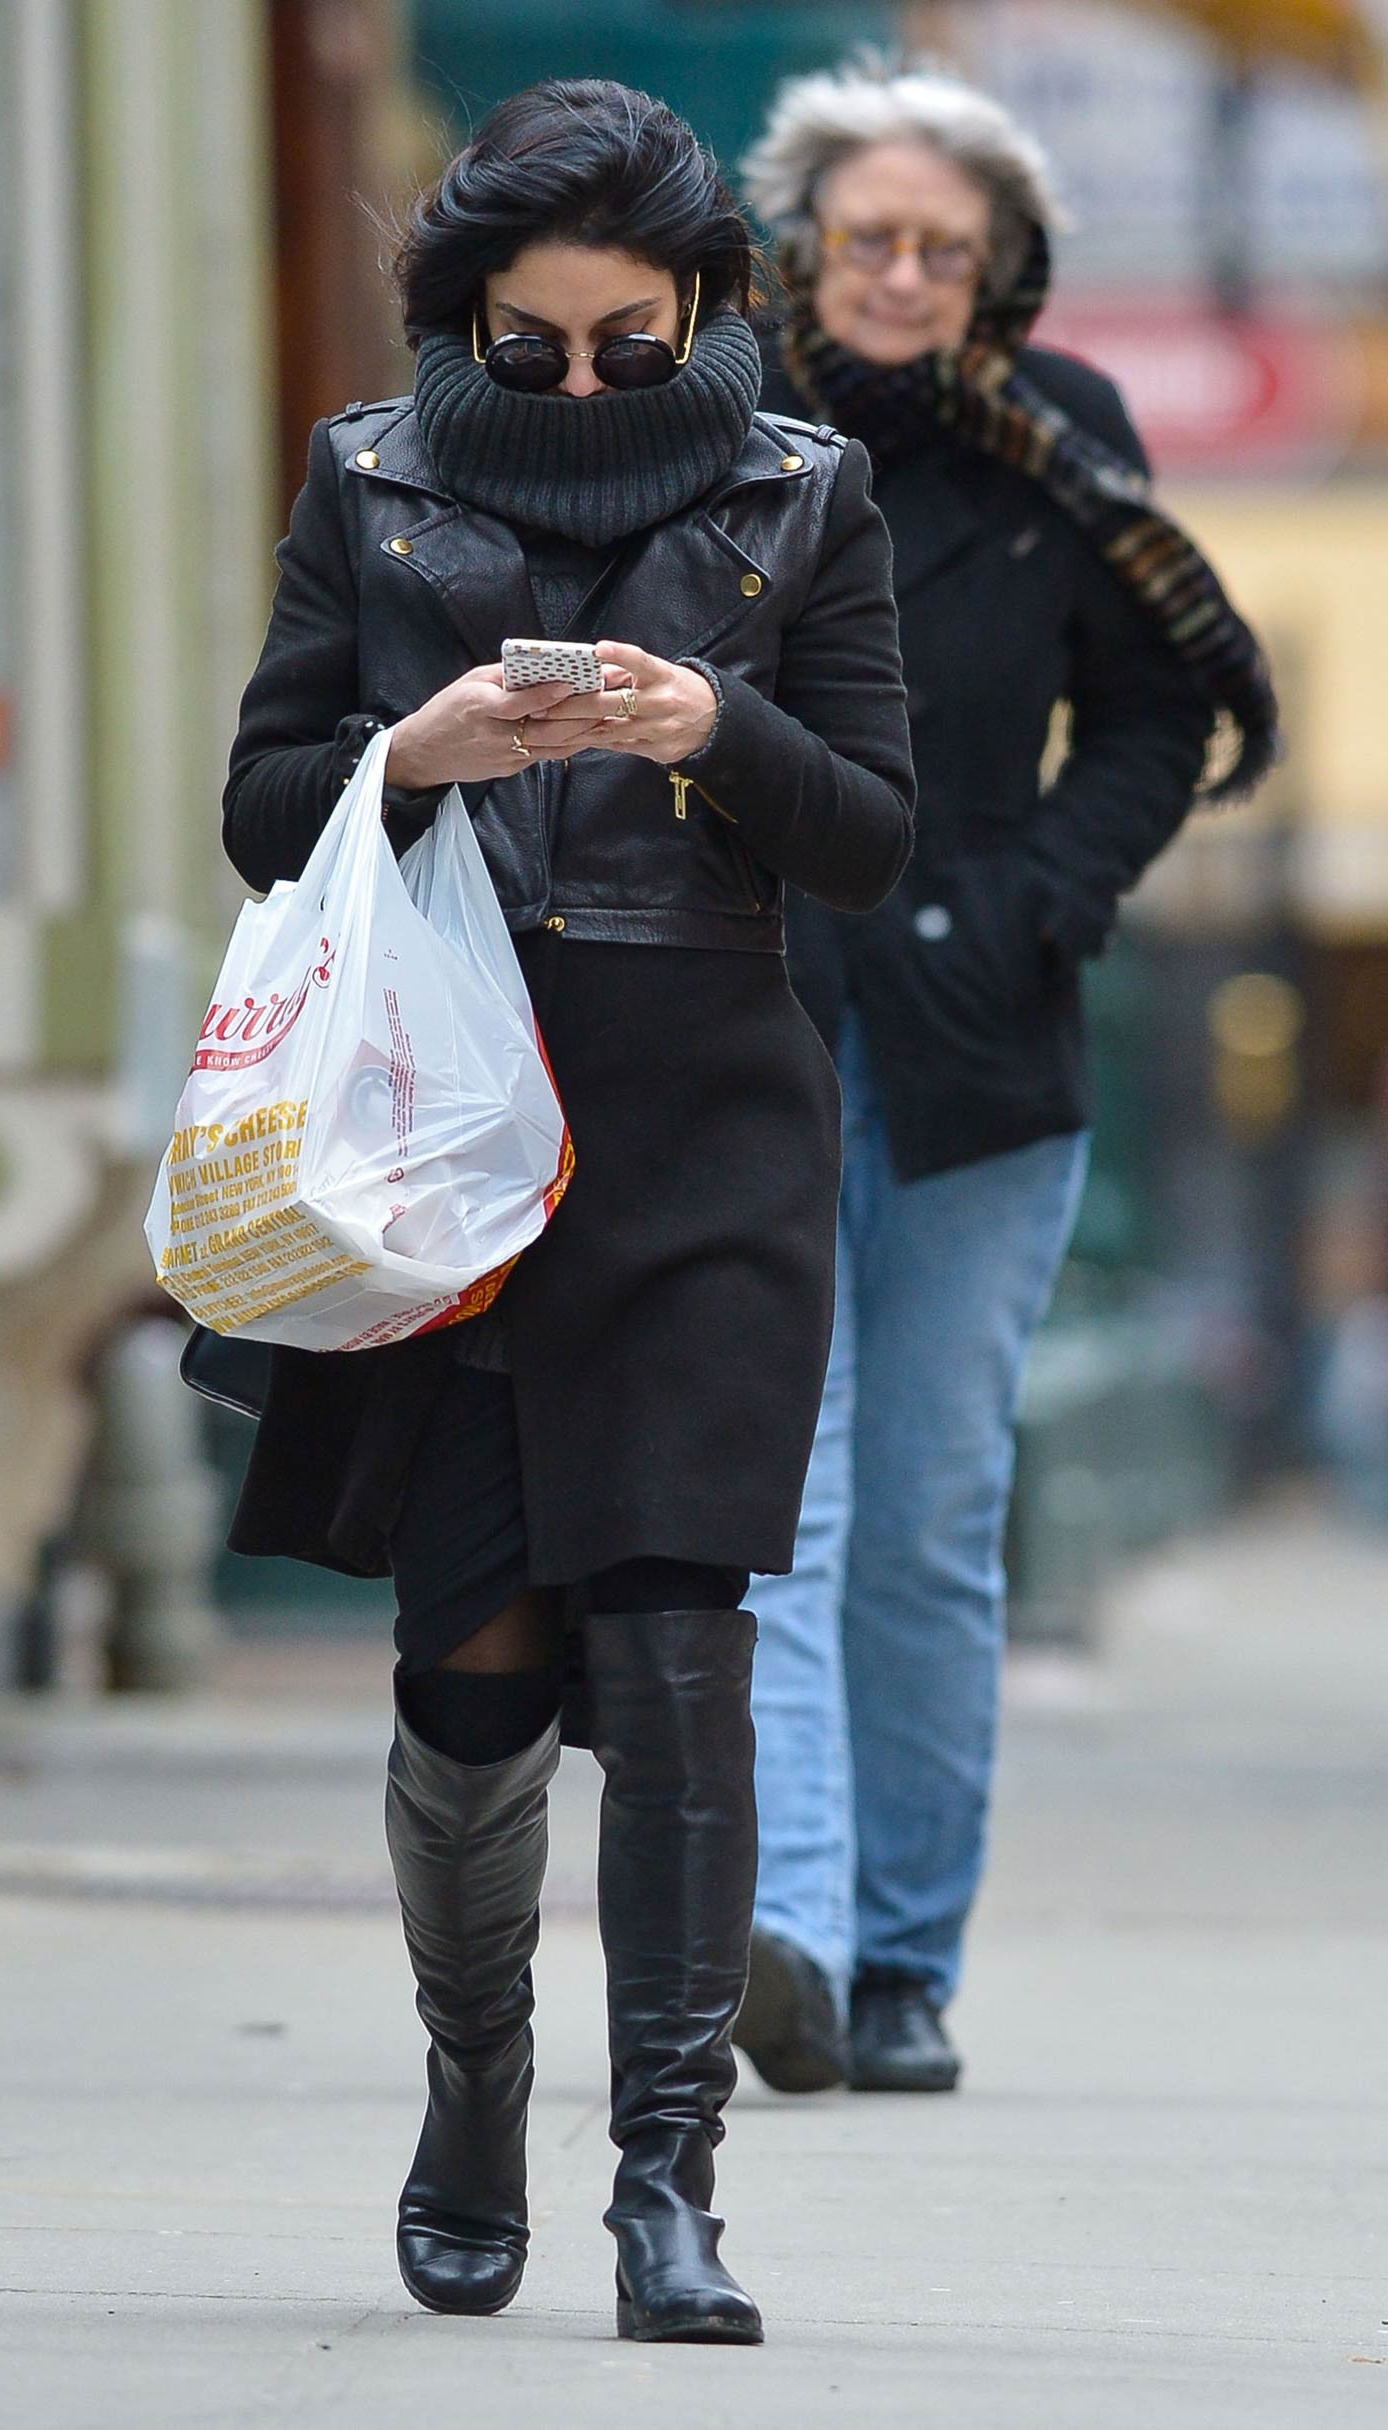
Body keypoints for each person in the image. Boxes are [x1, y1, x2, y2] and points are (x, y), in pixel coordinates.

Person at [219, 80, 915, 2341]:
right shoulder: (366, 476)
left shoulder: (805, 497)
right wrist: (403, 758)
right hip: (441, 1150)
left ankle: (667, 2187)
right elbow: (261, 805)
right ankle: (468, 2088)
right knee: (470, 1680)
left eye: (632, 336)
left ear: (704, 303)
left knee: (675, 1643)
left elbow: (871, 841)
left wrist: (709, 723)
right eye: (531, 348)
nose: (589, 383)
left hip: (701, 1137)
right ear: (463, 329)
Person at [731, 60, 1279, 2097]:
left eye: (937, 248)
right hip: (751, 1022)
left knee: (931, 1515)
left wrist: (1033, 899)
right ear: (801, 249)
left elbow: (1158, 718)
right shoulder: (722, 432)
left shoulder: (1072, 452)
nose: (896, 273)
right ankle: (777, 1923)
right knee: (778, 1495)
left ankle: (894, 1960)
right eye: (865, 238)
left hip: (978, 1034)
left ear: (996, 274)